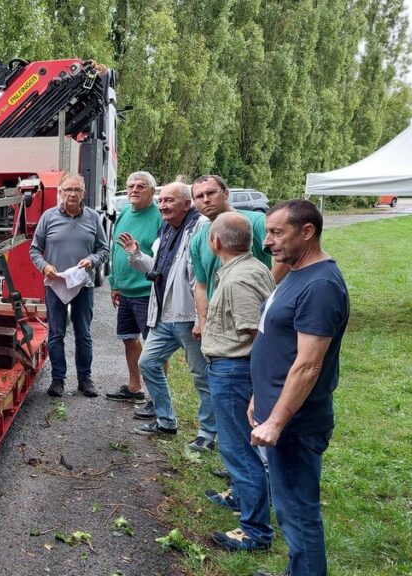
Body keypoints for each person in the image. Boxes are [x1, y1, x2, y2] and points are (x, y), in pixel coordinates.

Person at [250, 199, 349, 576]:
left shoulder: (321, 285)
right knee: (288, 509)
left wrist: (276, 420)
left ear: (307, 231)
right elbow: (276, 340)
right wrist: (260, 396)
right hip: (275, 412)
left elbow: (308, 364)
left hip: (295, 424)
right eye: (267, 233)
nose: (268, 242)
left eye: (277, 233)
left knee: (299, 514)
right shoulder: (295, 271)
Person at [118, 182, 217, 452]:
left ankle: (208, 433)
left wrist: (201, 319)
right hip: (164, 313)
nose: (163, 205)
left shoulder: (200, 230)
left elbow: (202, 278)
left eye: (169, 201)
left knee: (201, 375)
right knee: (148, 363)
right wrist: (136, 255)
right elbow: (158, 270)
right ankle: (165, 420)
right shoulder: (166, 231)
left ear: (187, 204)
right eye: (162, 201)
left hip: (187, 316)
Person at [199, 212, 276, 552]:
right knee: (240, 448)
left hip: (233, 370)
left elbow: (254, 333)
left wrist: (257, 387)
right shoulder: (252, 266)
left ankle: (255, 531)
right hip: (233, 369)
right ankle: (242, 499)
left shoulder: (238, 280)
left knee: (239, 451)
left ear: (215, 242)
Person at [29, 173, 109, 398]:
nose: (72, 194)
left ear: (83, 193)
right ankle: (58, 380)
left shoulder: (93, 218)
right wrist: (44, 266)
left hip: (83, 284)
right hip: (55, 284)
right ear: (60, 192)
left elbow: (104, 250)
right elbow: (34, 249)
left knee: (83, 333)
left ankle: (85, 379)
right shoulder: (48, 217)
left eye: (77, 190)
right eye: (68, 190)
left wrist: (91, 261)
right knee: (56, 333)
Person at [188, 175, 286, 341]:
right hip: (219, 323)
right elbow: (202, 285)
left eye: (211, 193)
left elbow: (285, 257)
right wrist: (204, 324)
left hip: (254, 316)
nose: (206, 200)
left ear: (226, 194)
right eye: (199, 196)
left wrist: (265, 288)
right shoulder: (198, 239)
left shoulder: (255, 222)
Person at [105, 171, 163, 406]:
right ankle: (134, 387)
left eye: (141, 186)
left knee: (155, 345)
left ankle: (158, 397)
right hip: (125, 291)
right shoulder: (125, 212)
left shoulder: (159, 216)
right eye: (130, 186)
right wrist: (114, 283)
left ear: (151, 190)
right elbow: (115, 249)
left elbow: (161, 254)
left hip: (146, 291)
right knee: (129, 339)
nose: (134, 190)